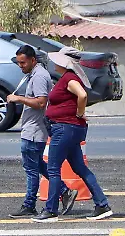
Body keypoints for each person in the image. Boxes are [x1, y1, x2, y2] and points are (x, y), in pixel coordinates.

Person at [33, 51, 113, 222]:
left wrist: (79, 112)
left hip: (64, 128)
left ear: (66, 63)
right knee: (79, 168)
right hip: (70, 128)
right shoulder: (70, 77)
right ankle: (102, 204)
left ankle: (50, 210)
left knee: (53, 168)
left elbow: (82, 95)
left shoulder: (69, 78)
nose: (55, 63)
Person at [6, 45, 77, 219]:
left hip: (34, 130)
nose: (20, 66)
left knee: (31, 168)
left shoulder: (39, 76)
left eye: (23, 63)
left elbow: (40, 102)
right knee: (37, 165)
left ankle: (29, 204)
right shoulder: (36, 74)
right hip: (33, 129)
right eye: (18, 63)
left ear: (33, 60)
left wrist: (18, 98)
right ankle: (64, 190)